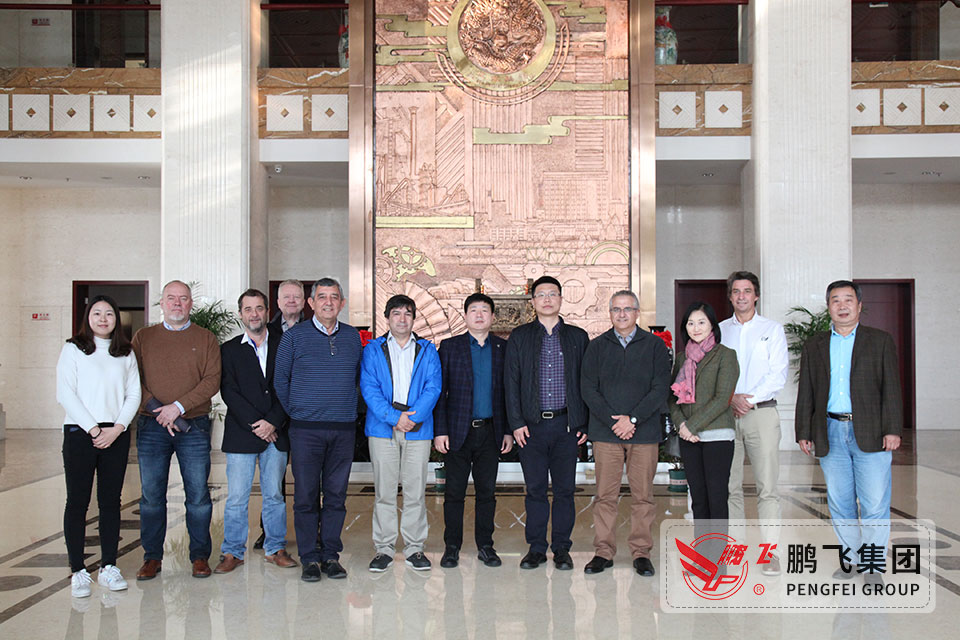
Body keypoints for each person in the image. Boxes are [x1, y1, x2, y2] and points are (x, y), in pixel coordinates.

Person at [796, 280, 902, 586]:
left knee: (874, 503)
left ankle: (873, 565)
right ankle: (851, 559)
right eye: (835, 300)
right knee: (840, 502)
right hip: (830, 430)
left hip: (872, 431)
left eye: (848, 300)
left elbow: (892, 389)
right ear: (828, 306)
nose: (842, 306)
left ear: (859, 305)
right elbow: (807, 391)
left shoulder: (879, 341)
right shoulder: (815, 344)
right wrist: (803, 430)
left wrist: (893, 429)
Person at [274, 277, 363, 582]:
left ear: (342, 303)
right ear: (311, 303)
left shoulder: (352, 337)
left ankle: (331, 555)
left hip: (342, 429)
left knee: (336, 495)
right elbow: (280, 380)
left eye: (334, 297)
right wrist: (298, 412)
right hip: (305, 430)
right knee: (306, 496)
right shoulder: (293, 337)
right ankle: (310, 557)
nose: (328, 302)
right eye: (322, 297)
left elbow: (357, 379)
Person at [132, 280, 221, 580]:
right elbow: (132, 379)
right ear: (162, 303)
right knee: (151, 496)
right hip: (151, 425)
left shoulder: (206, 338)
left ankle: (199, 556)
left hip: (193, 425)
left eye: (183, 299)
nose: (177, 304)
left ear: (191, 304)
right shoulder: (143, 337)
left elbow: (212, 380)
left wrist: (178, 407)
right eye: (171, 298)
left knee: (197, 495)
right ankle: (152, 557)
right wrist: (160, 409)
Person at [581, 290, 671, 577]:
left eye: (627, 309)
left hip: (643, 432)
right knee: (604, 496)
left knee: (643, 496)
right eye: (616, 309)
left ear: (637, 313)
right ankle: (603, 552)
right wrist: (614, 422)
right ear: (610, 314)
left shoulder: (655, 346)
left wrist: (632, 419)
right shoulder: (596, 347)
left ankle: (641, 553)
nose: (622, 314)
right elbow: (588, 389)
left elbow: (660, 388)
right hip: (606, 433)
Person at [56, 295, 141, 597]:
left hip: (115, 434)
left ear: (116, 319)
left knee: (110, 502)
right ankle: (78, 570)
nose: (103, 319)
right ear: (88, 318)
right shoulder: (73, 349)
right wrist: (93, 429)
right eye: (97, 313)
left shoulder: (125, 352)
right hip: (80, 433)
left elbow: (134, 394)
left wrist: (117, 428)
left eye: (109, 314)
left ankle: (108, 566)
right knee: (77, 502)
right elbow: (65, 393)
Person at [504, 275, 589, 570]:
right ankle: (537, 548)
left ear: (561, 299)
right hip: (532, 427)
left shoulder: (578, 337)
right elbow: (511, 382)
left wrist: (583, 424)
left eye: (553, 294)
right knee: (536, 490)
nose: (547, 299)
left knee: (565, 491)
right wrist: (516, 423)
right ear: (533, 301)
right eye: (541, 294)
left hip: (567, 426)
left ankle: (562, 549)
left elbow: (586, 383)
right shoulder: (520, 336)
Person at [215, 289, 296, 574]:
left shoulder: (285, 344)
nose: (254, 314)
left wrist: (273, 422)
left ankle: (275, 548)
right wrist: (257, 424)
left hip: (276, 432)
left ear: (267, 312)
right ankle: (232, 552)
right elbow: (229, 391)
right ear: (240, 314)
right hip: (242, 434)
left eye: (259, 308)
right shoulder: (229, 349)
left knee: (274, 495)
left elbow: (290, 385)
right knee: (237, 497)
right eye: (248, 309)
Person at [360, 294, 442, 572]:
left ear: (414, 318)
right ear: (387, 318)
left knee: (415, 491)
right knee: (384, 491)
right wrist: (395, 418)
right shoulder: (373, 349)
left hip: (418, 429)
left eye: (407, 313)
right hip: (382, 428)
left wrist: (412, 418)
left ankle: (415, 548)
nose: (402, 319)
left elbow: (433, 387)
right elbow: (369, 387)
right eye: (396, 313)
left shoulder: (427, 350)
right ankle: (383, 548)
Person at [434, 293, 513, 569]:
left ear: (493, 316)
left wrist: (508, 431)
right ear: (466, 316)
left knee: (486, 493)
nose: (479, 315)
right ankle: (451, 547)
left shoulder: (503, 348)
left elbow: (508, 394)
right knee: (454, 493)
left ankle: (486, 546)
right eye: (474, 310)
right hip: (458, 432)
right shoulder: (449, 347)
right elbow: (440, 393)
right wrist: (440, 430)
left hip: (491, 432)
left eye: (484, 310)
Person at [719, 271, 788, 576]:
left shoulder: (772, 329)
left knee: (767, 488)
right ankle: (734, 551)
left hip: (761, 413)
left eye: (747, 291)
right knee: (729, 486)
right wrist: (731, 398)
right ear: (730, 296)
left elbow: (778, 373)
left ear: (756, 295)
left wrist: (747, 399)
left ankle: (770, 554)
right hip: (725, 415)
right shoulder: (720, 330)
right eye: (736, 291)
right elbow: (713, 372)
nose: (742, 296)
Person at [668, 301, 739, 537]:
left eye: (701, 322)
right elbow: (673, 398)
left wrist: (691, 426)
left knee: (716, 497)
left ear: (712, 326)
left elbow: (722, 398)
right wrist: (681, 425)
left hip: (717, 436)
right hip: (689, 437)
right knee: (697, 497)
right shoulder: (682, 359)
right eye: (691, 323)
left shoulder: (725, 355)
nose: (696, 328)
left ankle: (717, 555)